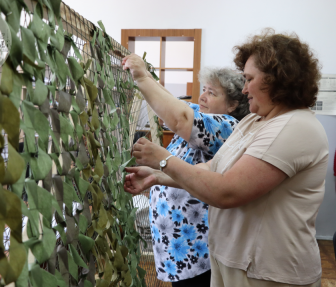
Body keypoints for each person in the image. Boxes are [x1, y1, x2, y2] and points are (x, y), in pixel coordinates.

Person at [123, 28, 327, 287]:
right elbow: (212, 169)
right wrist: (158, 175)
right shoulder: (255, 121)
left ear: (276, 80)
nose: (244, 89)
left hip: (271, 274)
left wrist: (164, 160)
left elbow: (226, 191)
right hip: (234, 265)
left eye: (250, 79)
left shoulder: (294, 127)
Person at [123, 55, 249, 285]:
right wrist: (155, 177)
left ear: (233, 104)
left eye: (212, 93)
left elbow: (180, 118)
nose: (202, 96)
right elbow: (174, 107)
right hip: (178, 250)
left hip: (197, 251)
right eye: (204, 89)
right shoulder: (199, 121)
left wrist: (142, 76)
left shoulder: (227, 126)